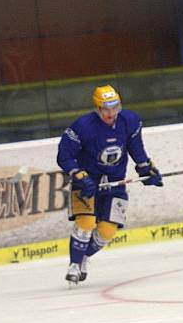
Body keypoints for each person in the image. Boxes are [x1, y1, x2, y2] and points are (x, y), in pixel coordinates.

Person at [57, 85, 163, 284]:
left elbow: (136, 148)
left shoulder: (130, 121)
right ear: (98, 108)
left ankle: (84, 258)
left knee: (107, 231)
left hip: (115, 182)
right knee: (86, 223)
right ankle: (74, 264)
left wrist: (146, 169)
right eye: (106, 108)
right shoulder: (82, 126)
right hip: (87, 181)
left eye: (115, 107)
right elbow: (64, 155)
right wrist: (80, 176)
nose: (111, 113)